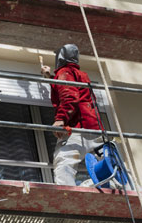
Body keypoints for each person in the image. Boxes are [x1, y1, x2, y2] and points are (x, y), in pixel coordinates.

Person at [41, 44, 103, 186]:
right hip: (93, 127)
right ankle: (106, 186)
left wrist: (60, 119)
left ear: (60, 57)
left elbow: (69, 96)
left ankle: (67, 193)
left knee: (64, 162)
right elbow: (71, 90)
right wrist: (50, 77)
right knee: (107, 166)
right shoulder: (80, 74)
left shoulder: (65, 72)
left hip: (76, 127)